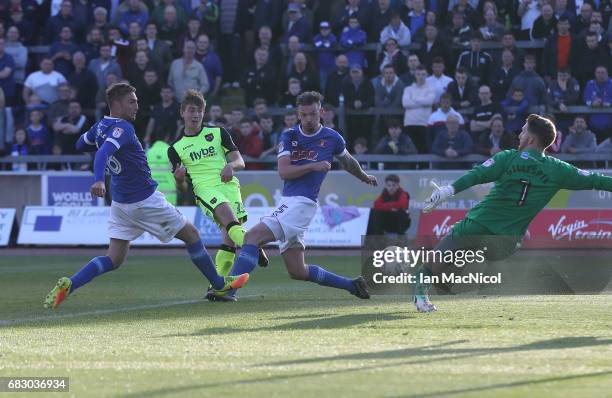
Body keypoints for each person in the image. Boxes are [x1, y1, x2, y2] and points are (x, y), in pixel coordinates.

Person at [44, 83, 249, 309]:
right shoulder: (124, 128)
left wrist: (98, 136)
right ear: (117, 104)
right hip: (144, 199)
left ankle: (70, 284)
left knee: (113, 259)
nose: (136, 106)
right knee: (191, 234)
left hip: (120, 204)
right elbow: (102, 152)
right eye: (132, 101)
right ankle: (219, 283)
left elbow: (80, 143)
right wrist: (99, 179)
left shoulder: (102, 126)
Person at [416, 114, 612, 312]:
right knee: (489, 256)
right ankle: (463, 277)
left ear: (531, 139)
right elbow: (596, 179)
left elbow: (477, 175)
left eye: (524, 130)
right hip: (506, 242)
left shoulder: (508, 157)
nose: (520, 134)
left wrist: (446, 191)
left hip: (478, 224)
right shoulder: (558, 169)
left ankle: (423, 294)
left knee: (434, 262)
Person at [224, 91, 377, 300]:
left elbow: (348, 161)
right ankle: (352, 285)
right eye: (304, 115)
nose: (308, 119)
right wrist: (314, 165)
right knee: (298, 271)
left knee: (251, 237)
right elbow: (284, 172)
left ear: (321, 112)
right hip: (290, 202)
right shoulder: (289, 136)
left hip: (302, 203)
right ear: (298, 113)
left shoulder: (332, 138)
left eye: (313, 114)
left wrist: (364, 176)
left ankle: (228, 290)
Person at [167, 90, 268, 301]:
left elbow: (240, 161)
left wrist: (231, 166)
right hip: (205, 189)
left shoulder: (219, 133)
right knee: (228, 218)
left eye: (200, 111)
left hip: (229, 186)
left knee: (229, 238)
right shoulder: (175, 149)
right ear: (182, 113)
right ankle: (252, 244)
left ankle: (218, 287)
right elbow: (183, 188)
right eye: (192, 111)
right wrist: (178, 179)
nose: (196, 115)